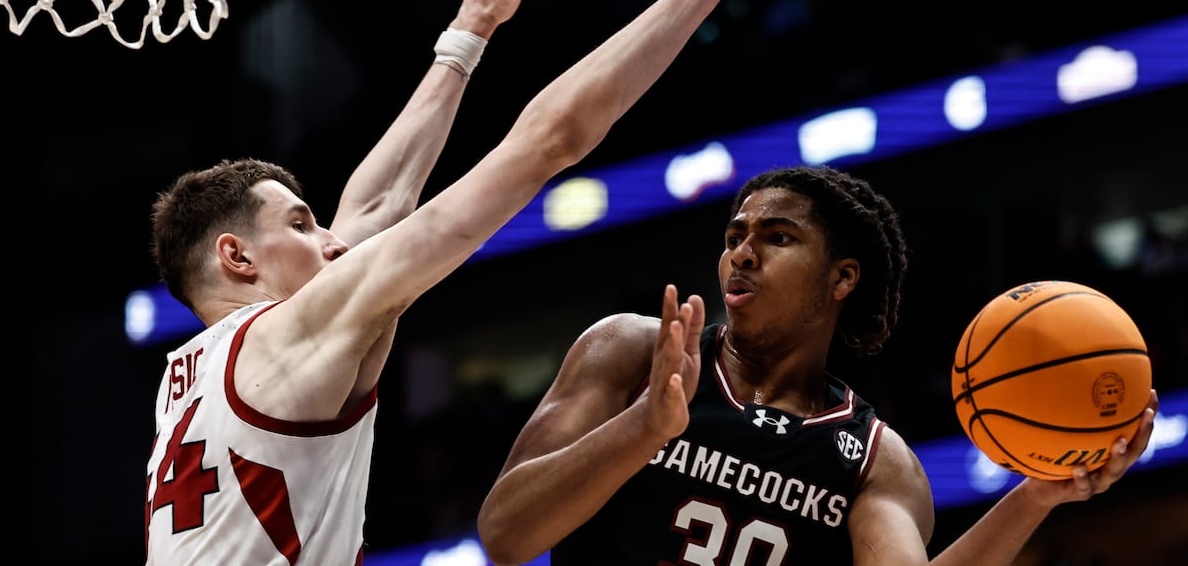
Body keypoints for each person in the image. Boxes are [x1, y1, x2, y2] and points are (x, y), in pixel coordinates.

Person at [142, 0, 775, 563]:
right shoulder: (287, 334)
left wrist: (469, 31)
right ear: (237, 256)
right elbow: (548, 142)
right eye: (302, 224)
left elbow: (379, 201)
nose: (334, 241)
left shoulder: (190, 381)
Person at [476, 165, 1161, 565]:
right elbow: (507, 534)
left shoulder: (874, 459)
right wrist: (643, 430)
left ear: (841, 279)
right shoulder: (630, 350)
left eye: (777, 238)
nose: (743, 254)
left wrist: (1038, 494)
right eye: (734, 237)